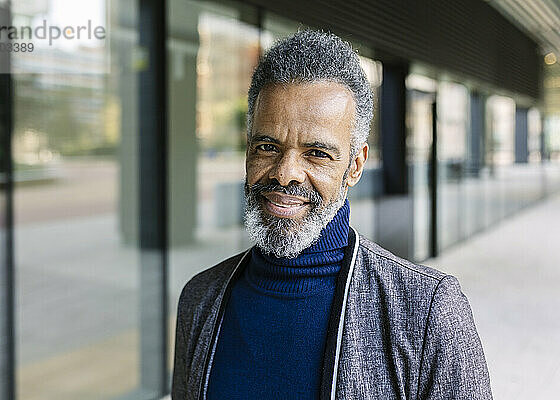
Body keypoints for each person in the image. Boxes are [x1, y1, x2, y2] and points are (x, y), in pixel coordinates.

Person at [171, 30, 492, 400]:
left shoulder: (428, 312)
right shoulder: (200, 299)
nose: (285, 172)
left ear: (355, 167)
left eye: (317, 153)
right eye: (267, 146)